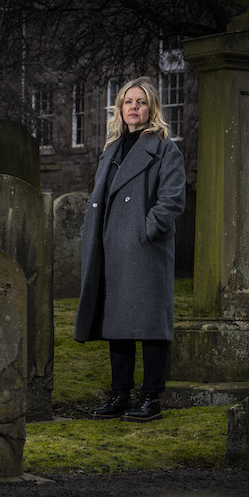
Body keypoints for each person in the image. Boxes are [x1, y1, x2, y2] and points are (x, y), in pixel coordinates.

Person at [74, 76, 186, 423]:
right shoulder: (112, 148)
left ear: (151, 107)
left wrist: (145, 229)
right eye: (127, 102)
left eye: (140, 101)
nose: (133, 107)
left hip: (144, 248)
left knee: (151, 323)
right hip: (110, 246)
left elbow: (172, 200)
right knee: (118, 323)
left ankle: (151, 398)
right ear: (120, 109)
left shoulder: (166, 147)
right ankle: (120, 394)